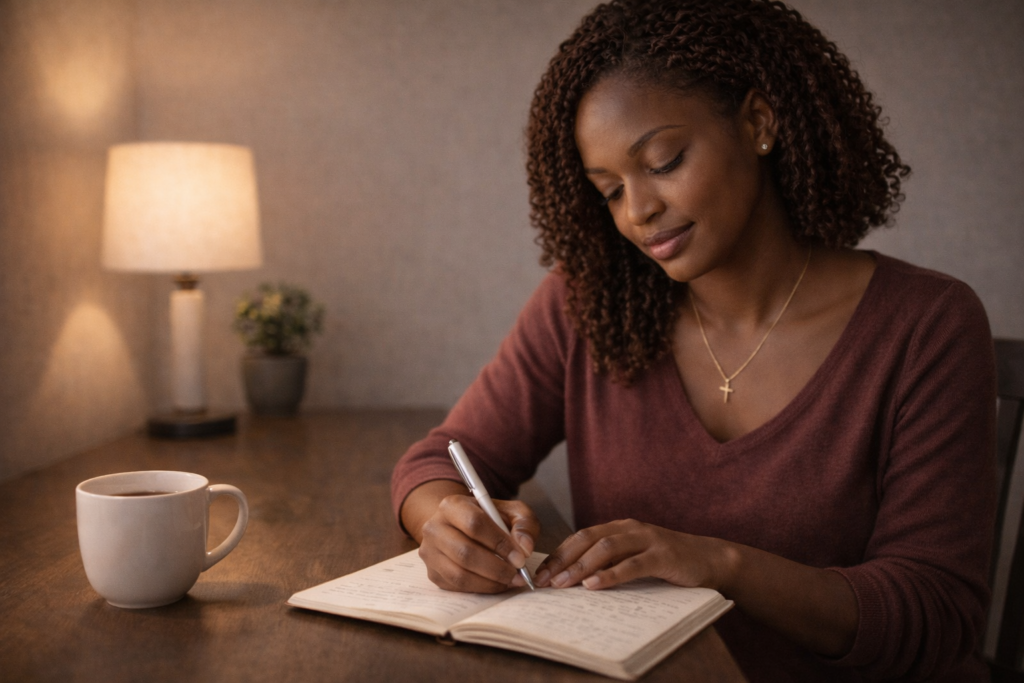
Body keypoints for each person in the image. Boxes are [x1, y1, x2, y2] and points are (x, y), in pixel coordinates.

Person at [390, 1, 998, 680]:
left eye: (664, 160)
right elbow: (437, 462)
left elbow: (937, 611)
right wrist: (444, 521)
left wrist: (717, 562)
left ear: (758, 122)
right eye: (609, 190)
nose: (638, 211)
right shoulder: (589, 304)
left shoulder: (925, 324)